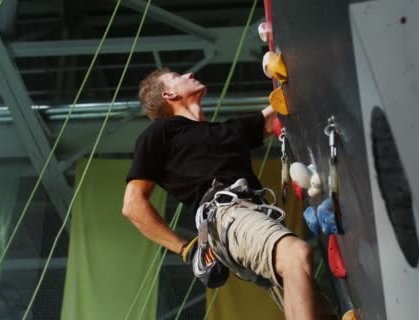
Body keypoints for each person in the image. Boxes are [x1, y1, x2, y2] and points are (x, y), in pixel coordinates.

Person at [122, 68, 318, 319]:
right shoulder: (160, 133)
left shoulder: (227, 132)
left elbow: (276, 112)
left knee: (314, 304)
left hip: (254, 217)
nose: (189, 73)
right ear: (168, 94)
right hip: (227, 216)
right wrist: (186, 249)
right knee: (296, 254)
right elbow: (132, 204)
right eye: (176, 76)